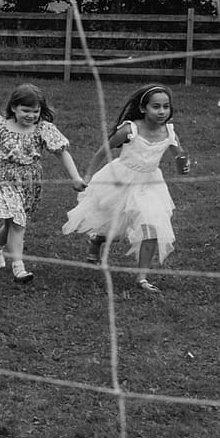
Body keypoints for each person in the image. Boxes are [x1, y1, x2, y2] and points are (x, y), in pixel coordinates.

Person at [62, 83, 188, 293]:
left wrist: (183, 165)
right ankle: (96, 240)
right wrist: (88, 175)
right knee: (114, 225)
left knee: (152, 225)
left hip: (151, 184)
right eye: (156, 106)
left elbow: (179, 155)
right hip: (121, 180)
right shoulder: (130, 129)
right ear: (143, 108)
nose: (162, 111)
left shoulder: (169, 132)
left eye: (166, 107)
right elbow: (103, 151)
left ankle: (142, 278)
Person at [0, 83, 86, 285]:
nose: (31, 115)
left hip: (28, 180)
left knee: (14, 220)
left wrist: (75, 177)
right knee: (17, 220)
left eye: (35, 111)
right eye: (25, 110)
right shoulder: (1, 125)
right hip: (2, 177)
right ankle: (19, 267)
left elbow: (62, 153)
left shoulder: (43, 129)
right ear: (13, 108)